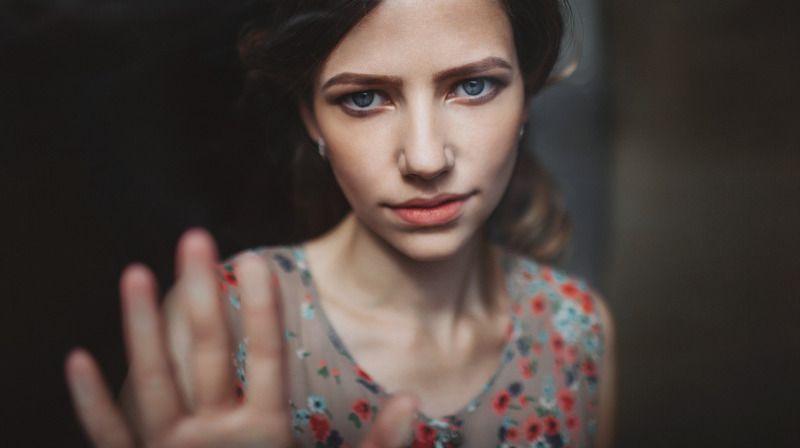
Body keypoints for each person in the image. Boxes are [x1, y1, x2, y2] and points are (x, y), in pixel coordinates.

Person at [65, 0, 617, 446]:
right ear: (311, 118)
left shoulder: (577, 332)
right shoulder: (218, 326)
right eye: (365, 98)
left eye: (473, 86)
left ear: (526, 96)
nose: (425, 159)